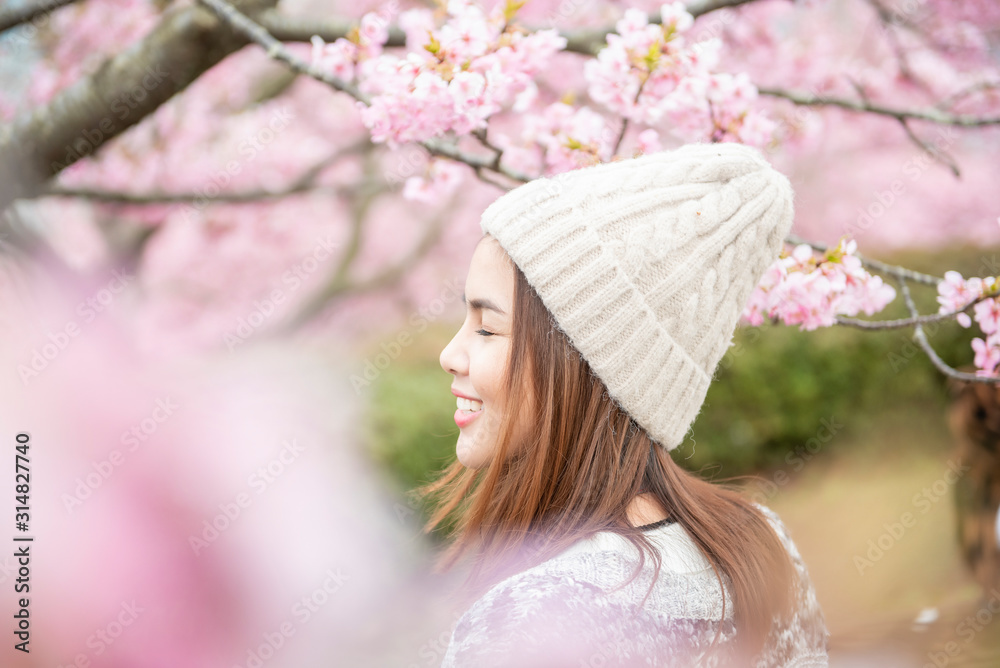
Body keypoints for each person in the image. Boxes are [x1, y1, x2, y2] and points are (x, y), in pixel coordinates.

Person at [425, 142, 830, 667]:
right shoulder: (763, 546)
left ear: (580, 365)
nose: (449, 354)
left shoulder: (536, 614)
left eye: (487, 326)